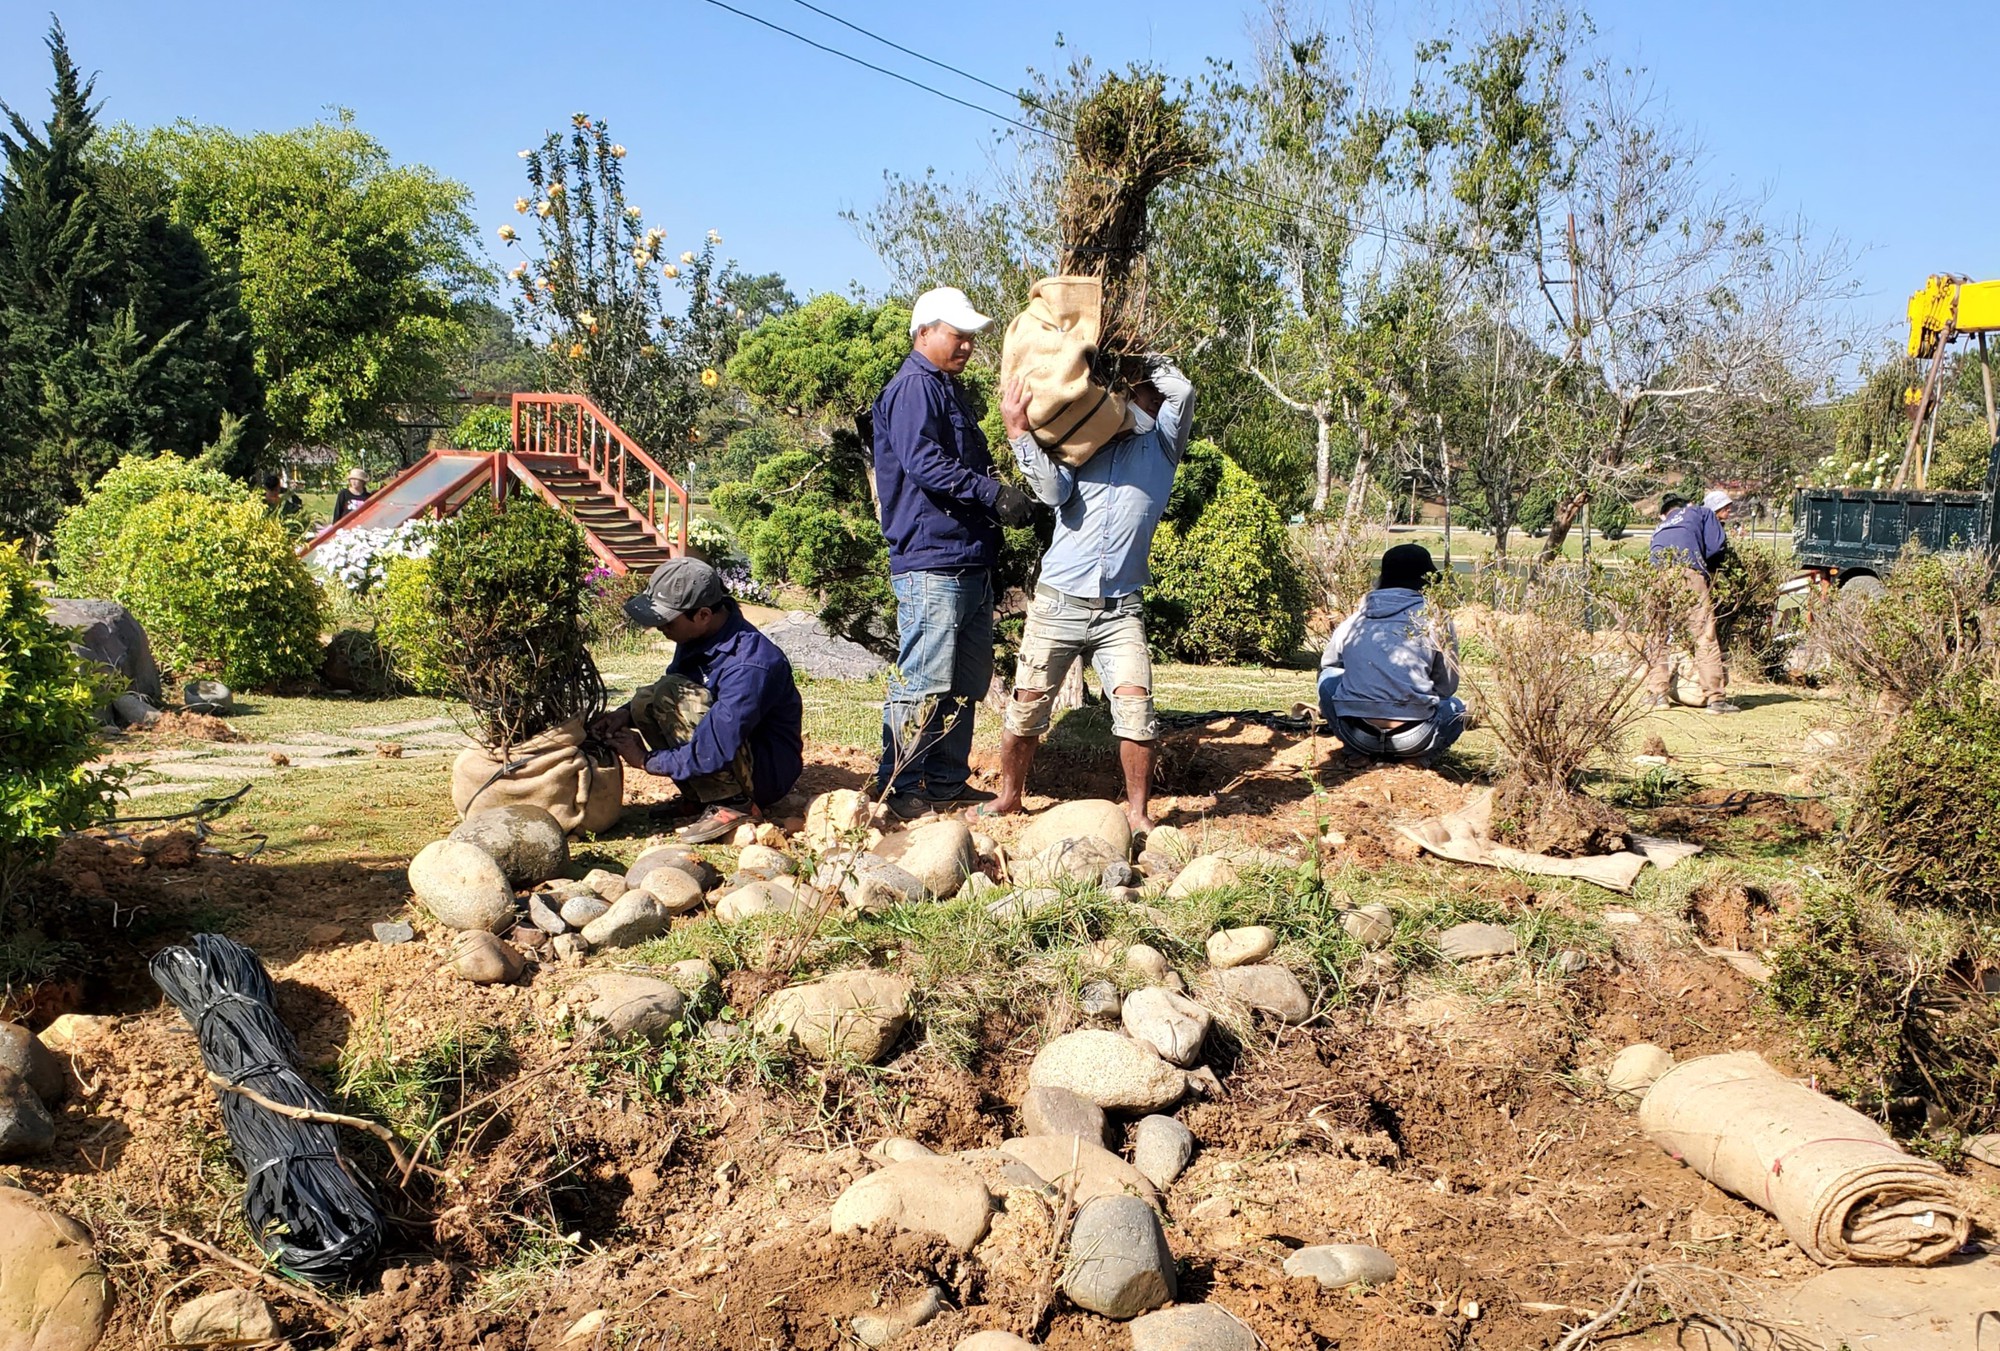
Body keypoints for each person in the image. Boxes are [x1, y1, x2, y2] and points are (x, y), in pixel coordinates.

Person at [980, 355, 1194, 837]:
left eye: (1148, 397)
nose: (1150, 403)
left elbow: (1179, 393)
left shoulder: (1162, 445)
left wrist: (1140, 357)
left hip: (1122, 608)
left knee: (1136, 707)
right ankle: (1011, 796)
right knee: (1028, 702)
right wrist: (1018, 433)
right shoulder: (1082, 441)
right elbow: (1053, 493)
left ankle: (1137, 813)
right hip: (1059, 601)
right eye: (1142, 395)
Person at [872, 285, 1034, 819]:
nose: (966, 345)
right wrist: (993, 494)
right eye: (956, 335)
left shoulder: (945, 388)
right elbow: (924, 464)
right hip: (931, 560)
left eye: (970, 337)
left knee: (964, 683)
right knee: (924, 679)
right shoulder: (914, 388)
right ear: (924, 333)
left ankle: (943, 782)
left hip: (966, 560)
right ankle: (900, 786)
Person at [591, 558, 804, 843]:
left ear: (703, 614)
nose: (659, 627)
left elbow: (715, 749)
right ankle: (702, 795)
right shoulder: (698, 635)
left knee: (667, 694)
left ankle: (735, 802)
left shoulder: (750, 665)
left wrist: (645, 760)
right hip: (729, 750)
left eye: (667, 620)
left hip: (764, 773)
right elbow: (672, 690)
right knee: (648, 700)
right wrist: (624, 715)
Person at [1317, 543, 1465, 765]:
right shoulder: (1436, 620)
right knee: (1457, 708)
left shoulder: (1355, 619)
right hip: (1416, 736)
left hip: (1357, 734)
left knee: (1328, 678)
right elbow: (1447, 687)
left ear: (1383, 578)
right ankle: (1418, 759)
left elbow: (1329, 664)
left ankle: (1357, 754)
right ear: (1426, 581)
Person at [1645, 488, 1738, 714]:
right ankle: (1716, 700)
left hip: (1655, 574)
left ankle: (1658, 696)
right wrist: (1710, 573)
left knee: (1657, 635)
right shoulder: (1700, 512)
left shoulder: (1661, 526)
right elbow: (1717, 546)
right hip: (1687, 571)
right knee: (1704, 634)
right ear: (1689, 504)